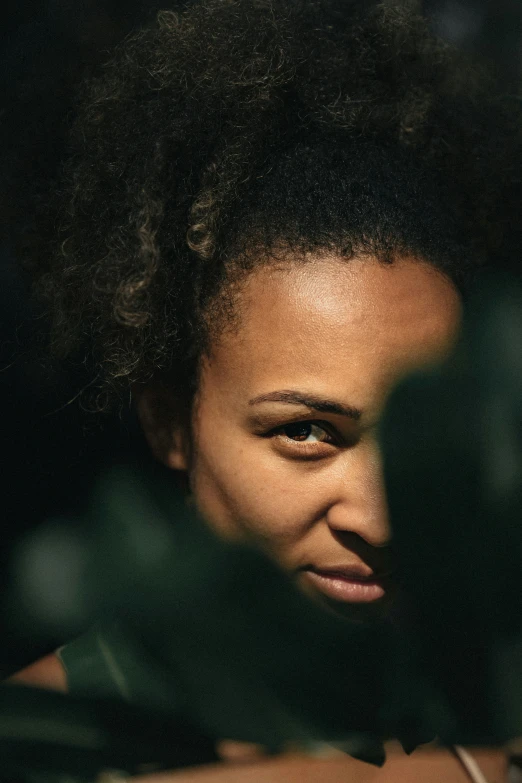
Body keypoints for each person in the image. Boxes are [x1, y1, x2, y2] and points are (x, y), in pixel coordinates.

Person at [10, 0, 521, 780]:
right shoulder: (43, 744)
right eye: (307, 432)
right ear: (167, 421)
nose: (380, 517)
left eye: (418, 428)